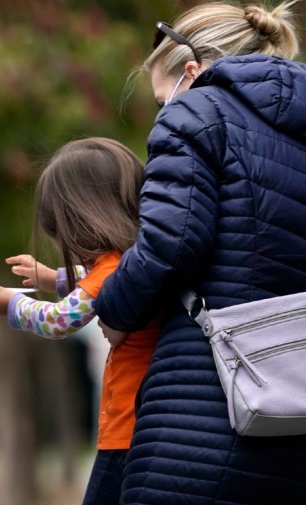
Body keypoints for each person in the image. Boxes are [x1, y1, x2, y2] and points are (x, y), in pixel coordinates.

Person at [92, 1, 306, 503]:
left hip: (203, 410)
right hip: (291, 409)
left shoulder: (198, 110)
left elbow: (169, 242)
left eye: (161, 97)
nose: (163, 109)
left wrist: (114, 308)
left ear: (191, 71)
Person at [0, 137, 159, 505]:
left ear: (82, 220)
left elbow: (58, 319)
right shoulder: (132, 260)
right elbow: (89, 282)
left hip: (126, 432)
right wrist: (51, 278)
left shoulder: (112, 271)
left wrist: (13, 305)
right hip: (137, 427)